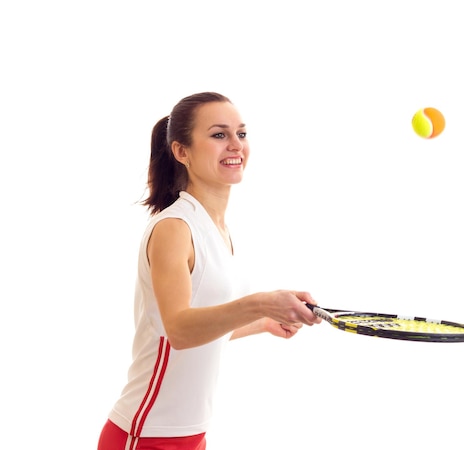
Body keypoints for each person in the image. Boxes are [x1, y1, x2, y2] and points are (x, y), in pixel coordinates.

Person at [98, 92, 321, 450]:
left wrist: (263, 323)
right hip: (146, 434)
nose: (236, 145)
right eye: (219, 135)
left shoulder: (216, 228)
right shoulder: (174, 227)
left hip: (192, 434)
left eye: (242, 134)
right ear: (181, 152)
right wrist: (261, 304)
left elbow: (202, 324)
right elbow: (179, 331)